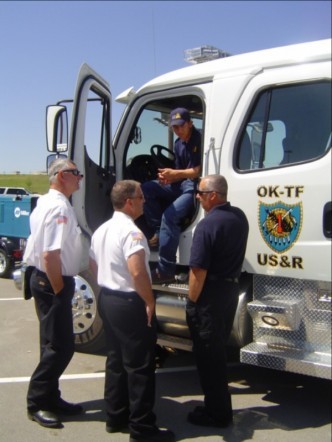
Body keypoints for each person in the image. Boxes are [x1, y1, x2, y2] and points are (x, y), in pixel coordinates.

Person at [89, 180, 175, 442]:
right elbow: (138, 271)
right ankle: (142, 428)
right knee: (139, 366)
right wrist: (149, 301)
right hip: (129, 302)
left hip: (108, 298)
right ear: (129, 201)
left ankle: (115, 417)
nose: (144, 201)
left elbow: (93, 266)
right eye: (140, 197)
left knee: (116, 360)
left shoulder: (102, 229)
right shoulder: (132, 232)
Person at [23, 158, 84, 428]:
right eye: (75, 173)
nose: (80, 177)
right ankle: (37, 402)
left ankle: (51, 397)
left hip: (45, 281)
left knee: (50, 345)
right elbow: (50, 255)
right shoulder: (58, 206)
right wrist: (60, 291)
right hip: (52, 282)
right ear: (61, 176)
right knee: (61, 346)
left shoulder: (47, 202)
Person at [185, 174, 249, 428]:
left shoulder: (207, 225)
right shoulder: (239, 217)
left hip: (209, 296)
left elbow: (198, 271)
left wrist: (191, 302)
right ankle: (216, 405)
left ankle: (218, 413)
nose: (197, 198)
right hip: (229, 292)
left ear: (213, 195)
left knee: (209, 357)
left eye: (200, 193)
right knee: (217, 352)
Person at [142, 107, 201, 284]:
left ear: (190, 123)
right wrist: (167, 178)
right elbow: (178, 171)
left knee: (170, 216)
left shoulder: (200, 139)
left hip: (194, 187)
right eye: (174, 127)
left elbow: (198, 171)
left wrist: (175, 175)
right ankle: (159, 233)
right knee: (146, 188)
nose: (177, 130)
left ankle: (165, 270)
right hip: (180, 184)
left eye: (181, 126)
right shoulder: (177, 143)